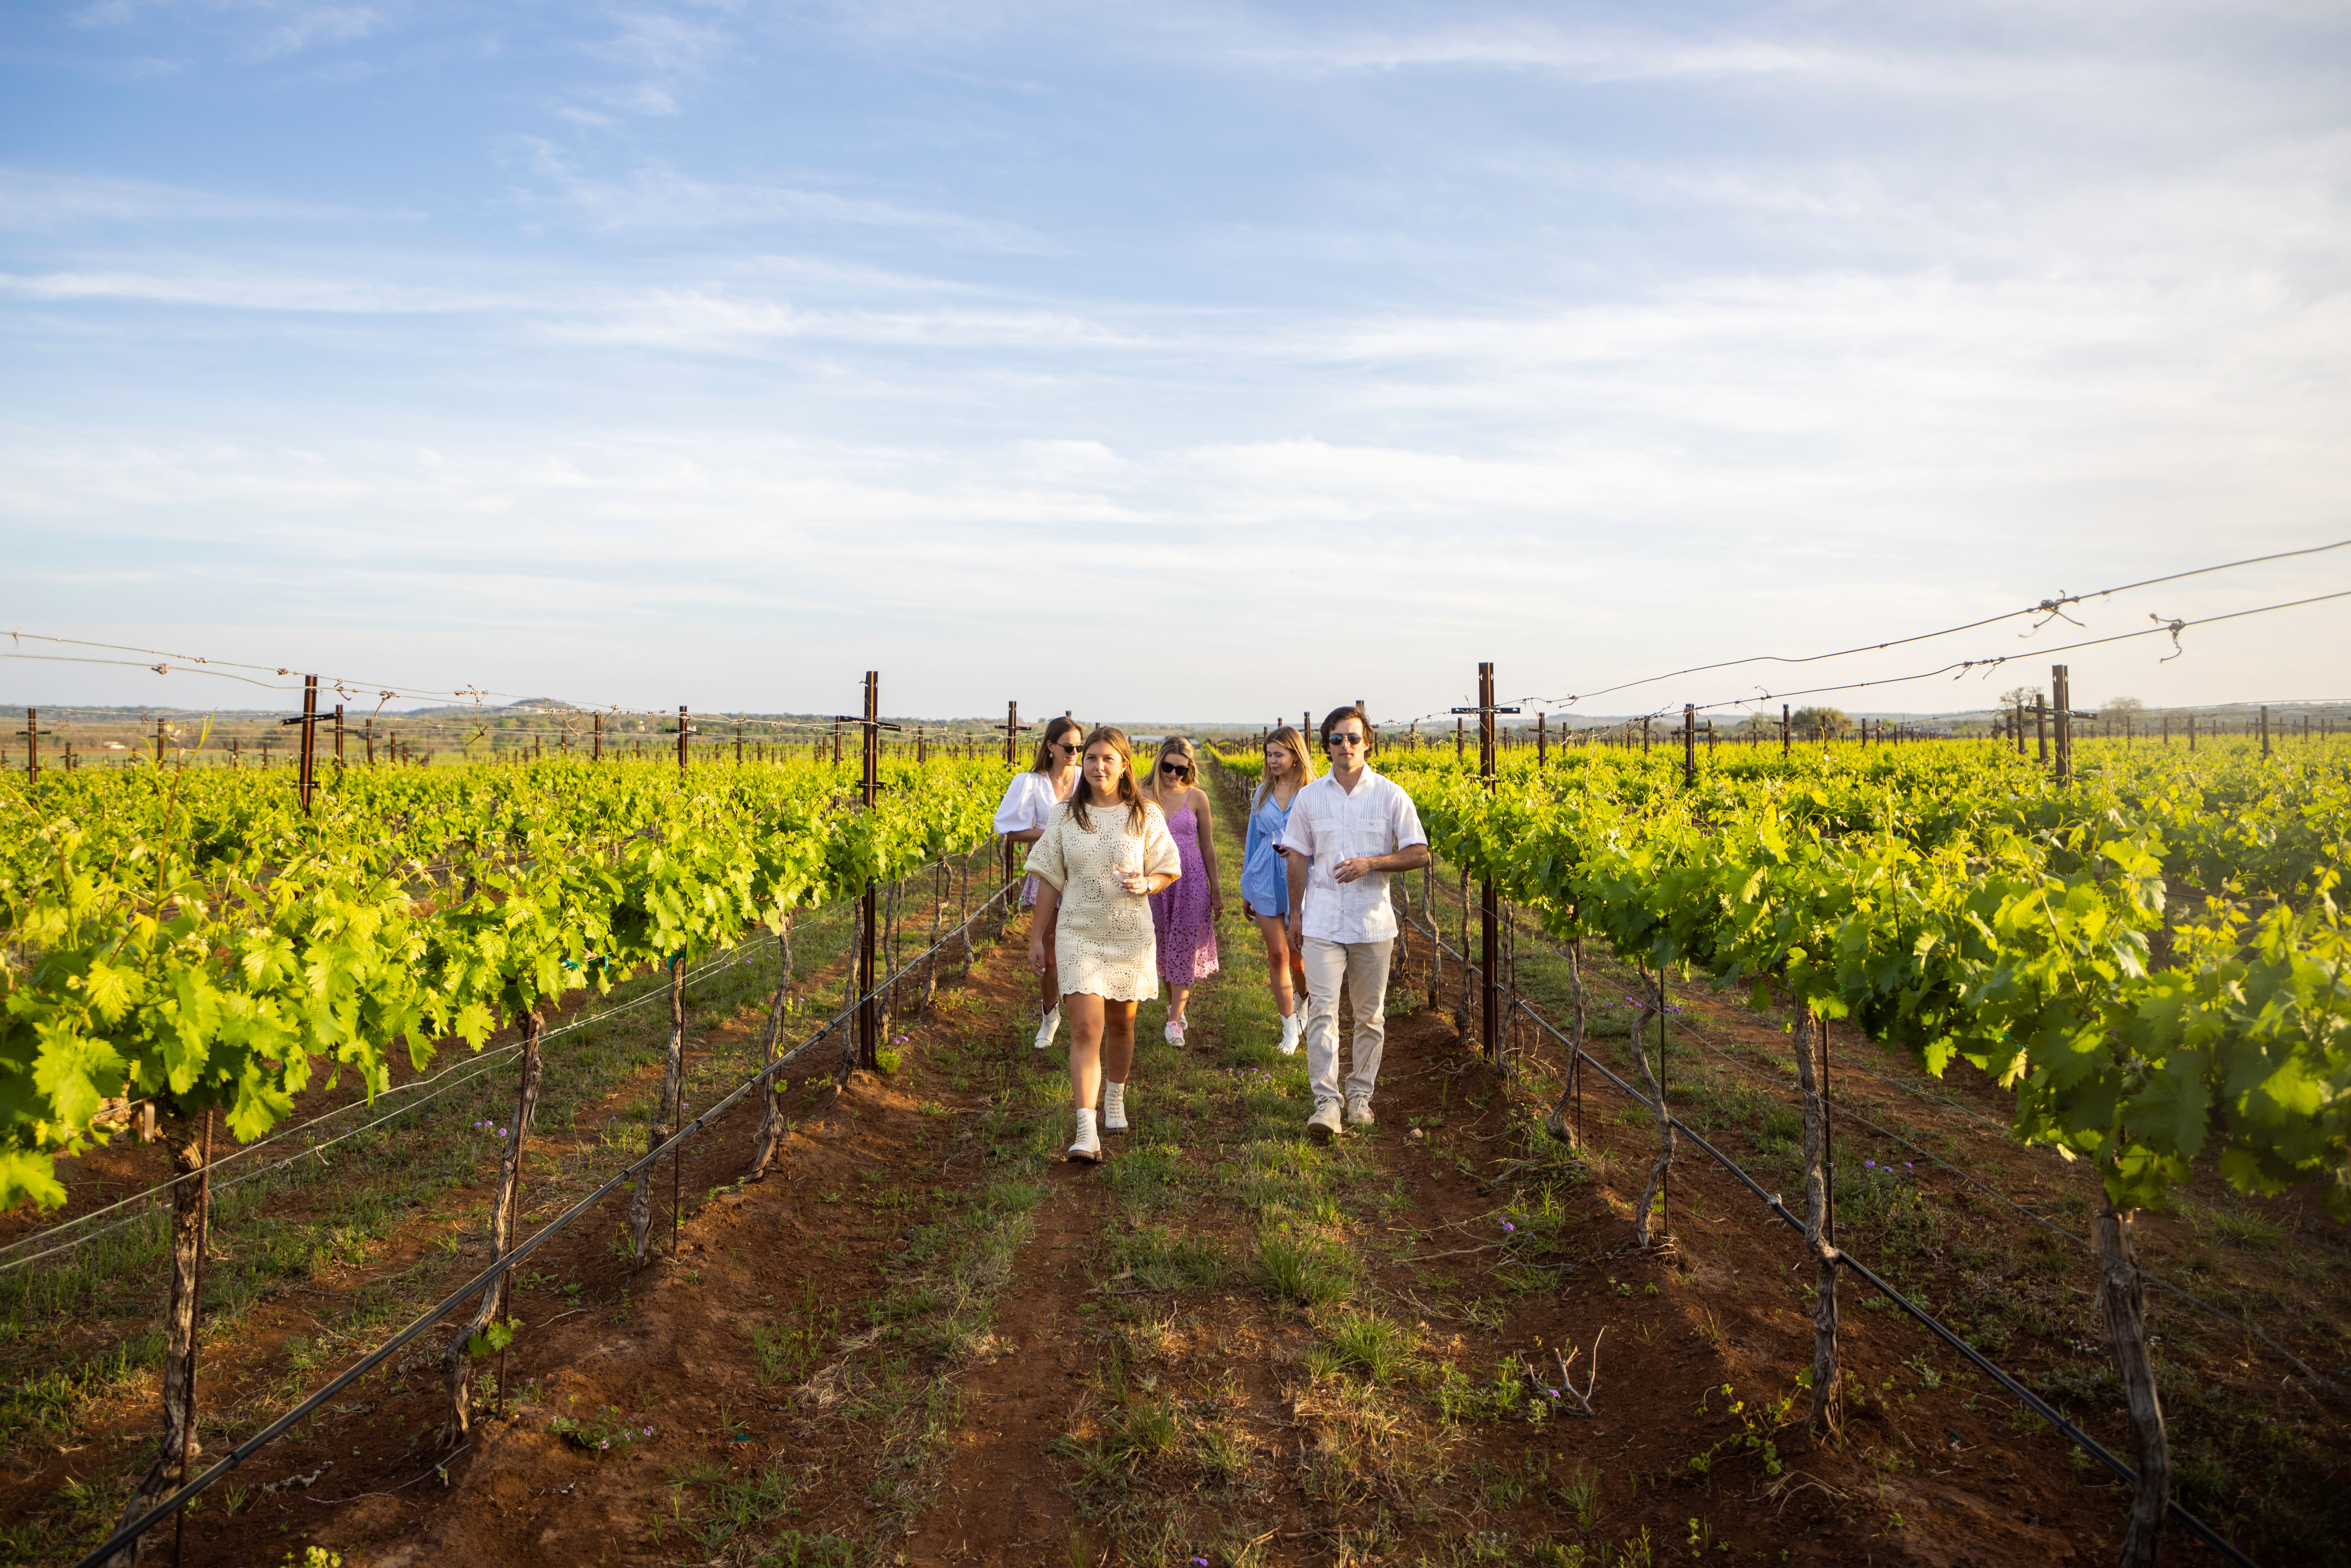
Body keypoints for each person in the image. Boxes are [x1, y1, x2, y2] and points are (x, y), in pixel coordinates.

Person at [1025, 727, 1181, 1163]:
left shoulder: (1144, 815)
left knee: (1121, 1026)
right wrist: (1038, 937)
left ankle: (1116, 1095)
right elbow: (1049, 880)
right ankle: (1084, 1130)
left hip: (1129, 934)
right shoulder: (1063, 817)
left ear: (1124, 764)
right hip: (1078, 933)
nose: (1098, 766)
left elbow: (1169, 867)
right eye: (1090, 758)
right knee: (1085, 1029)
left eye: (1107, 759)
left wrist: (1148, 883)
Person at [1282, 705, 1431, 1142]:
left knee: (1369, 1017)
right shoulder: (1310, 797)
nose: (1344, 746)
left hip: (1371, 924)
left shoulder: (1390, 795)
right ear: (1326, 745)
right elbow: (1297, 857)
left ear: (1368, 743)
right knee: (1324, 1013)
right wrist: (1295, 913)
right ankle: (1326, 1103)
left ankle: (1360, 1096)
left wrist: (1373, 863)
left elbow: (1420, 853)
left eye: (1352, 738)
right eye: (1335, 739)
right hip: (1323, 920)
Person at [995, 715, 1084, 1051]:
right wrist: (1052, 832)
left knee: (1082, 947)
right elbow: (1011, 830)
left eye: (1079, 747)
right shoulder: (1030, 782)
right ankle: (1050, 1016)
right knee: (1049, 950)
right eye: (1068, 747)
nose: (1074, 752)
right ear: (1050, 746)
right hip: (1050, 871)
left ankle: (1083, 1014)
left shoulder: (1087, 776)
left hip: (1085, 871)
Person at [1140, 737, 1222, 1044]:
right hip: (1156, 879)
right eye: (1167, 766)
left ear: (1189, 768)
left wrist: (1215, 889)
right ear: (1158, 762)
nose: (1173, 773)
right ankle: (1175, 1002)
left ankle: (1174, 1020)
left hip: (1192, 880)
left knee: (1185, 946)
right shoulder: (1142, 795)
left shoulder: (1197, 797)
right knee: (1162, 945)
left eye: (1180, 768)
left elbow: (1208, 845)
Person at [1240, 725, 1315, 1054]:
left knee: (1298, 957)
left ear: (1295, 755)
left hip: (1302, 877)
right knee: (1277, 954)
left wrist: (1301, 850)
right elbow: (1252, 840)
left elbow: (1324, 840)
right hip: (1265, 876)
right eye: (1268, 754)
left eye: (1278, 754)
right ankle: (1289, 1028)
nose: (1271, 760)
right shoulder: (1261, 793)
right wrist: (1247, 886)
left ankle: (1304, 1001)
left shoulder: (1313, 792)